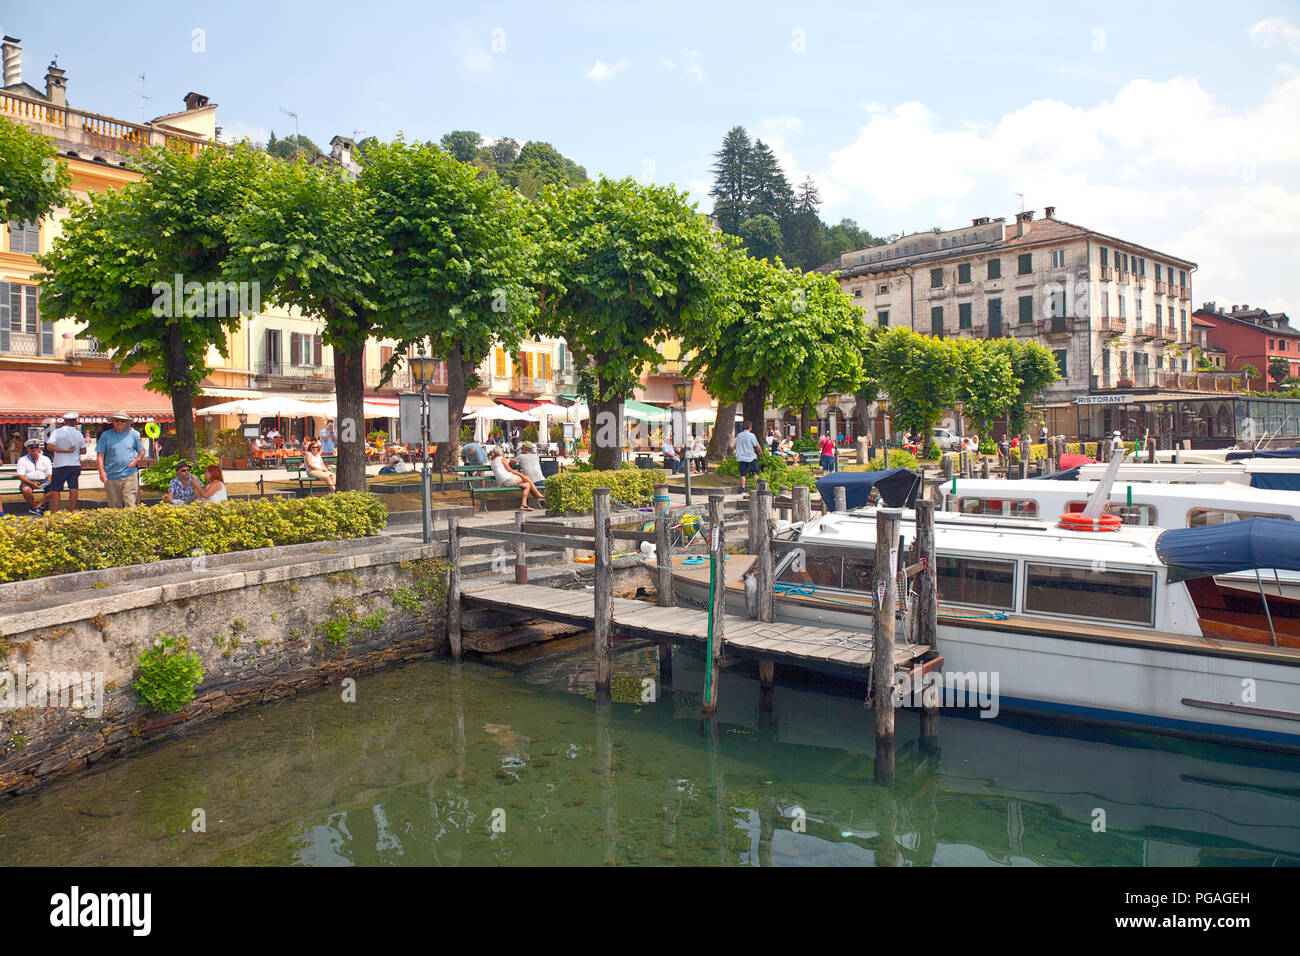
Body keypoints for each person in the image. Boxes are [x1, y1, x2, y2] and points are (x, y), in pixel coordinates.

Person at [97, 411, 146, 508]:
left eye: (122, 421)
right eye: (117, 420)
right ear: (112, 422)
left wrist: (137, 459)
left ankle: (132, 523)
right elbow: (100, 455)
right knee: (114, 506)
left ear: (127, 423)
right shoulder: (105, 436)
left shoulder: (133, 435)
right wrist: (101, 472)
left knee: (130, 504)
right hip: (111, 475)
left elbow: (142, 451)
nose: (119, 423)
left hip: (130, 474)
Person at [44, 411, 87, 513]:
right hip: (75, 464)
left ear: (64, 421)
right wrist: (73, 451)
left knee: (55, 489)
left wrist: (63, 450)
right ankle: (71, 510)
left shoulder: (57, 432)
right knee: (73, 487)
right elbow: (84, 450)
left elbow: (49, 447)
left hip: (60, 464)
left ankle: (54, 512)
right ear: (75, 421)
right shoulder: (78, 434)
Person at [17, 439, 53, 516]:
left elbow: (49, 473)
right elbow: (20, 476)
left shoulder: (45, 459)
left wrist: (48, 481)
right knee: (26, 490)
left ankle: (38, 506)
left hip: (43, 481)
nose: (34, 449)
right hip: (28, 481)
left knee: (54, 488)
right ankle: (35, 507)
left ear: (38, 448)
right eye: (31, 448)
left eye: (36, 447)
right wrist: (31, 483)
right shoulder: (22, 460)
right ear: (27, 449)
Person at [735, 421, 761, 491]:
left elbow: (736, 445)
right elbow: (757, 445)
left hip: (741, 457)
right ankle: (755, 486)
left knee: (743, 473)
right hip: (750, 457)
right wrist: (761, 452)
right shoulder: (751, 435)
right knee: (755, 472)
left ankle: (743, 488)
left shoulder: (738, 435)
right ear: (750, 428)